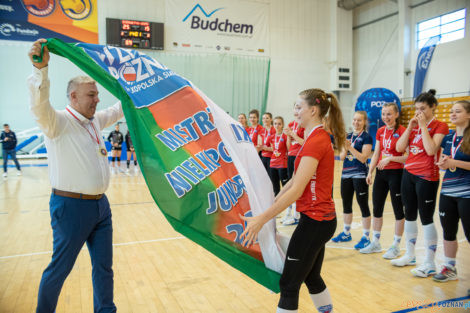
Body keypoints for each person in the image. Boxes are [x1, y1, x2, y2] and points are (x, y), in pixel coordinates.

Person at [28, 38, 123, 313]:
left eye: (96, 94)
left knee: (104, 267)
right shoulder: (56, 122)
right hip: (71, 208)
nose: (97, 98)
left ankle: (106, 310)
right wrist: (41, 72)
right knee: (60, 269)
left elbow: (117, 109)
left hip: (100, 207)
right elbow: (38, 105)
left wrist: (138, 88)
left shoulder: (94, 121)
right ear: (73, 97)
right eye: (91, 95)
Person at [241, 88, 346, 313]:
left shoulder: (317, 140)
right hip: (318, 221)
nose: (295, 112)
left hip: (316, 222)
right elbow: (292, 182)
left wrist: (262, 219)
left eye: (299, 107)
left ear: (313, 110)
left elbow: (296, 190)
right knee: (312, 277)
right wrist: (269, 209)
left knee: (289, 285)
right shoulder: (312, 138)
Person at [392, 89, 448, 278]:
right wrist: (410, 127)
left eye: (422, 109)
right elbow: (399, 148)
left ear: (433, 107)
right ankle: (410, 254)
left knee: (426, 217)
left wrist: (423, 126)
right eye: (416, 109)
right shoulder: (415, 125)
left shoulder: (440, 125)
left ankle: (430, 262)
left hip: (427, 176)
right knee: (409, 214)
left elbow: (431, 150)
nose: (419, 113)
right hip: (409, 174)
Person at [361, 103, 407, 258]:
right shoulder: (380, 131)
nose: (386, 117)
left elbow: (408, 156)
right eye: (384, 114)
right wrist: (370, 171)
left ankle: (395, 245)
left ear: (396, 114)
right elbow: (376, 153)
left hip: (397, 174)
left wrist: (391, 158)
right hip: (381, 174)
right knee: (377, 208)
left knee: (398, 210)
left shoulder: (402, 131)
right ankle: (375, 242)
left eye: (389, 114)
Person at [433, 100, 470, 282]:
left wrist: (453, 163)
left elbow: (456, 162)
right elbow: (447, 159)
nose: (453, 114)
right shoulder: (449, 137)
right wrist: (443, 163)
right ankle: (449, 267)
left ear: (468, 115)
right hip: (447, 191)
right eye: (451, 112)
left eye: (458, 111)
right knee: (448, 231)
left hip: (467, 194)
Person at [332, 111, 373, 250]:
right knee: (346, 204)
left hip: (360, 175)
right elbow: (342, 157)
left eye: (359, 120)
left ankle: (366, 237)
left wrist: (350, 147)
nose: (356, 122)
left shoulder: (367, 137)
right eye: (354, 120)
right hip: (345, 175)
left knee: (363, 205)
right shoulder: (348, 136)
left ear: (364, 122)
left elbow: (363, 158)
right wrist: (344, 146)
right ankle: (346, 232)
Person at [282, 104, 305, 225]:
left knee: (297, 184)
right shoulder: (291, 124)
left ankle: (297, 215)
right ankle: (290, 213)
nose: (296, 110)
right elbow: (288, 145)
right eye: (295, 108)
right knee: (290, 184)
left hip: (300, 156)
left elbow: (305, 143)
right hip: (291, 155)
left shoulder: (304, 124)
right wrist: (288, 136)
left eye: (298, 108)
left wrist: (293, 134)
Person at [266, 116, 289, 197]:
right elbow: (273, 149)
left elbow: (289, 149)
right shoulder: (271, 137)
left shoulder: (285, 136)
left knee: (285, 185)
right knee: (275, 186)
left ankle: (288, 204)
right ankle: (277, 203)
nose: (277, 125)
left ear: (282, 125)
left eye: (279, 124)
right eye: (275, 124)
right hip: (273, 163)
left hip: (282, 163)